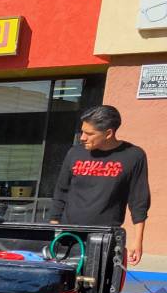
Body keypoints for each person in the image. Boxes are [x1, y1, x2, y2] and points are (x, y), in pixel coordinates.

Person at [48, 105, 149, 266]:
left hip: (104, 238)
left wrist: (138, 241)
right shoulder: (75, 153)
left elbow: (139, 200)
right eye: (82, 131)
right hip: (67, 236)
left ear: (108, 133)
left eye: (89, 134)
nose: (82, 138)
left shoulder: (134, 156)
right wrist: (53, 229)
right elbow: (61, 191)